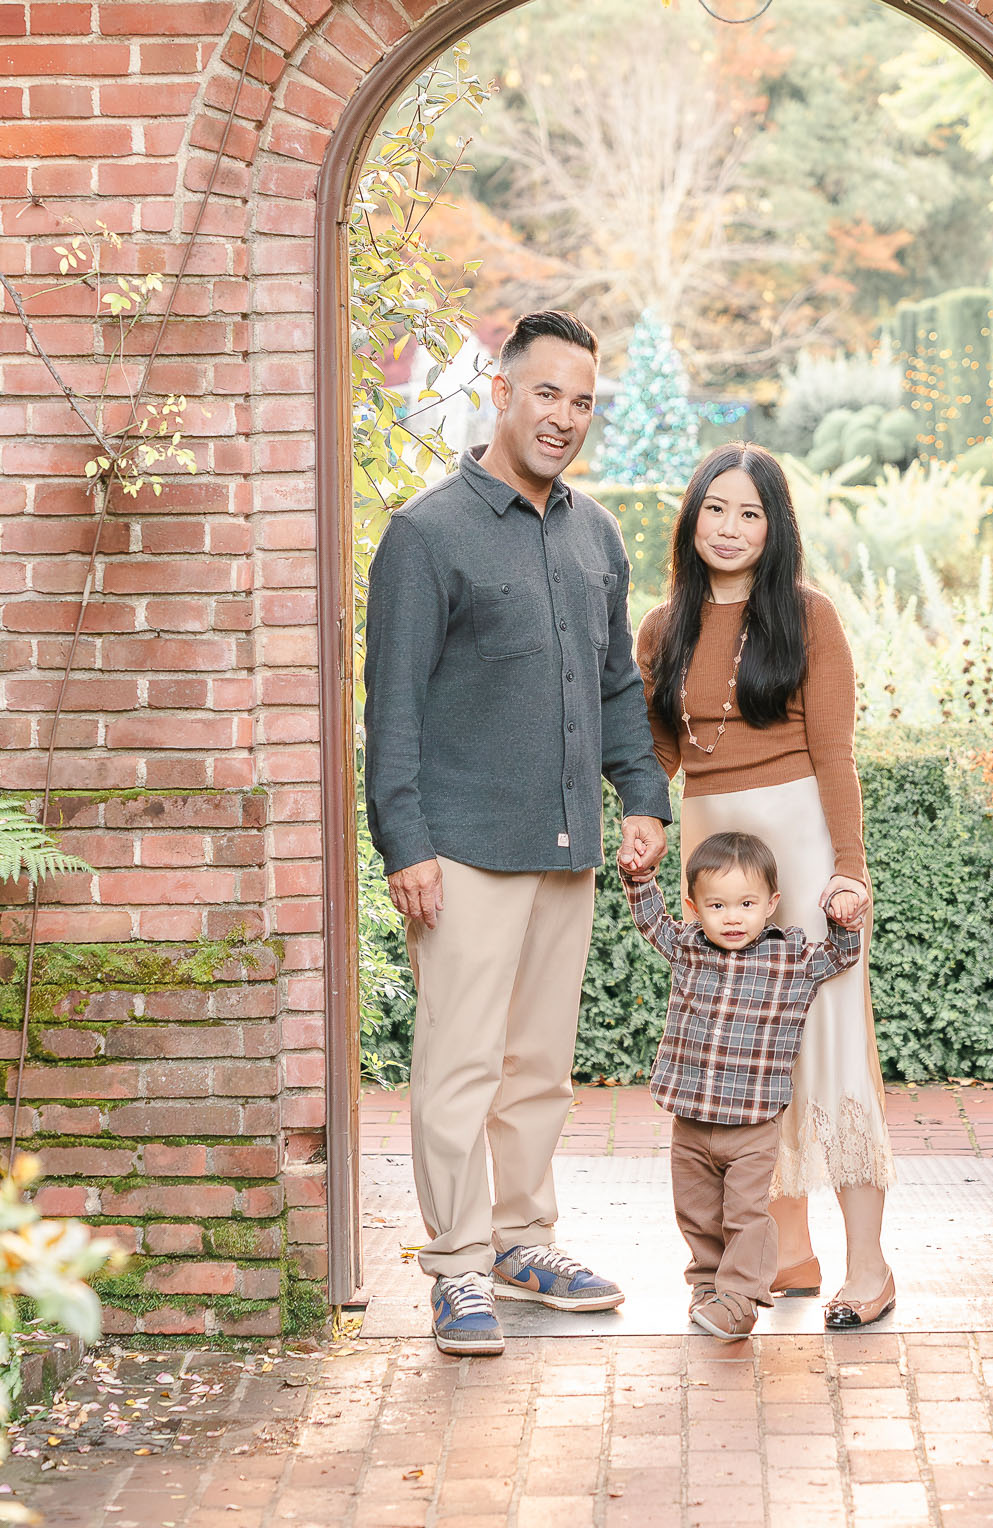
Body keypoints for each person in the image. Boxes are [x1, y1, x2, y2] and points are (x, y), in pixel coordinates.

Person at [364, 309, 673, 1358]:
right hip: (459, 850)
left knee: (539, 1066)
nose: (565, 417)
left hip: (564, 847)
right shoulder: (426, 533)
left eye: (583, 401)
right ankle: (454, 1268)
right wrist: (403, 841)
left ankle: (522, 1240)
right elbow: (392, 706)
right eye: (548, 393)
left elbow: (616, 680)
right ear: (501, 393)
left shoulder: (594, 533)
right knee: (460, 1064)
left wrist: (641, 793)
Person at [636, 443, 896, 1329]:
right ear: (691, 517)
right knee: (744, 1045)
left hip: (802, 843)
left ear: (775, 525)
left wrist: (850, 869)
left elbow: (836, 754)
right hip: (713, 847)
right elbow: (660, 758)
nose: (731, 528)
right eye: (716, 508)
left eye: (751, 512)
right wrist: (643, 822)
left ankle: (870, 1268)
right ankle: (787, 1253)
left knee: (828, 1049)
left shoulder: (810, 618)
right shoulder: (662, 628)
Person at [619, 828, 860, 1340]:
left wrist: (845, 920)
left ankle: (741, 1300)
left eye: (747, 903)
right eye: (717, 905)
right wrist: (638, 876)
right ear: (694, 907)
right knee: (698, 1213)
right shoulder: (688, 947)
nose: (733, 917)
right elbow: (649, 921)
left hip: (753, 1124)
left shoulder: (790, 957)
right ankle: (708, 1288)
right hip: (690, 1119)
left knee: (747, 1216)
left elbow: (840, 958)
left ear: (772, 903)